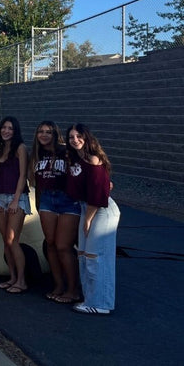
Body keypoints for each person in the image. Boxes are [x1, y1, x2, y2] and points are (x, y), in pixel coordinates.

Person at [66, 124, 120, 315]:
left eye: (78, 136)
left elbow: (96, 195)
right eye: (71, 137)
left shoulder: (94, 159)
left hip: (100, 210)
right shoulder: (76, 160)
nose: (75, 140)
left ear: (87, 137)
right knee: (84, 255)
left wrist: (88, 220)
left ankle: (101, 303)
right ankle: (90, 298)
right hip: (86, 207)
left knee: (96, 257)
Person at [30, 121, 81, 304]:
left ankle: (73, 289)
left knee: (63, 246)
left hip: (67, 200)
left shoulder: (66, 150)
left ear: (55, 134)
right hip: (46, 200)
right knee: (50, 243)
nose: (44, 135)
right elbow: (36, 181)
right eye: (40, 131)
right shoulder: (36, 154)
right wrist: (38, 204)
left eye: (48, 132)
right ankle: (58, 285)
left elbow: (84, 167)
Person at [0, 116, 30, 294]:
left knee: (13, 240)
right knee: (6, 240)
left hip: (17, 198)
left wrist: (16, 199)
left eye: (10, 128)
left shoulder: (20, 148)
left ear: (15, 131)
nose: (6, 131)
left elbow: (23, 175)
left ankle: (22, 280)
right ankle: (12, 277)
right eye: (4, 127)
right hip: (0, 196)